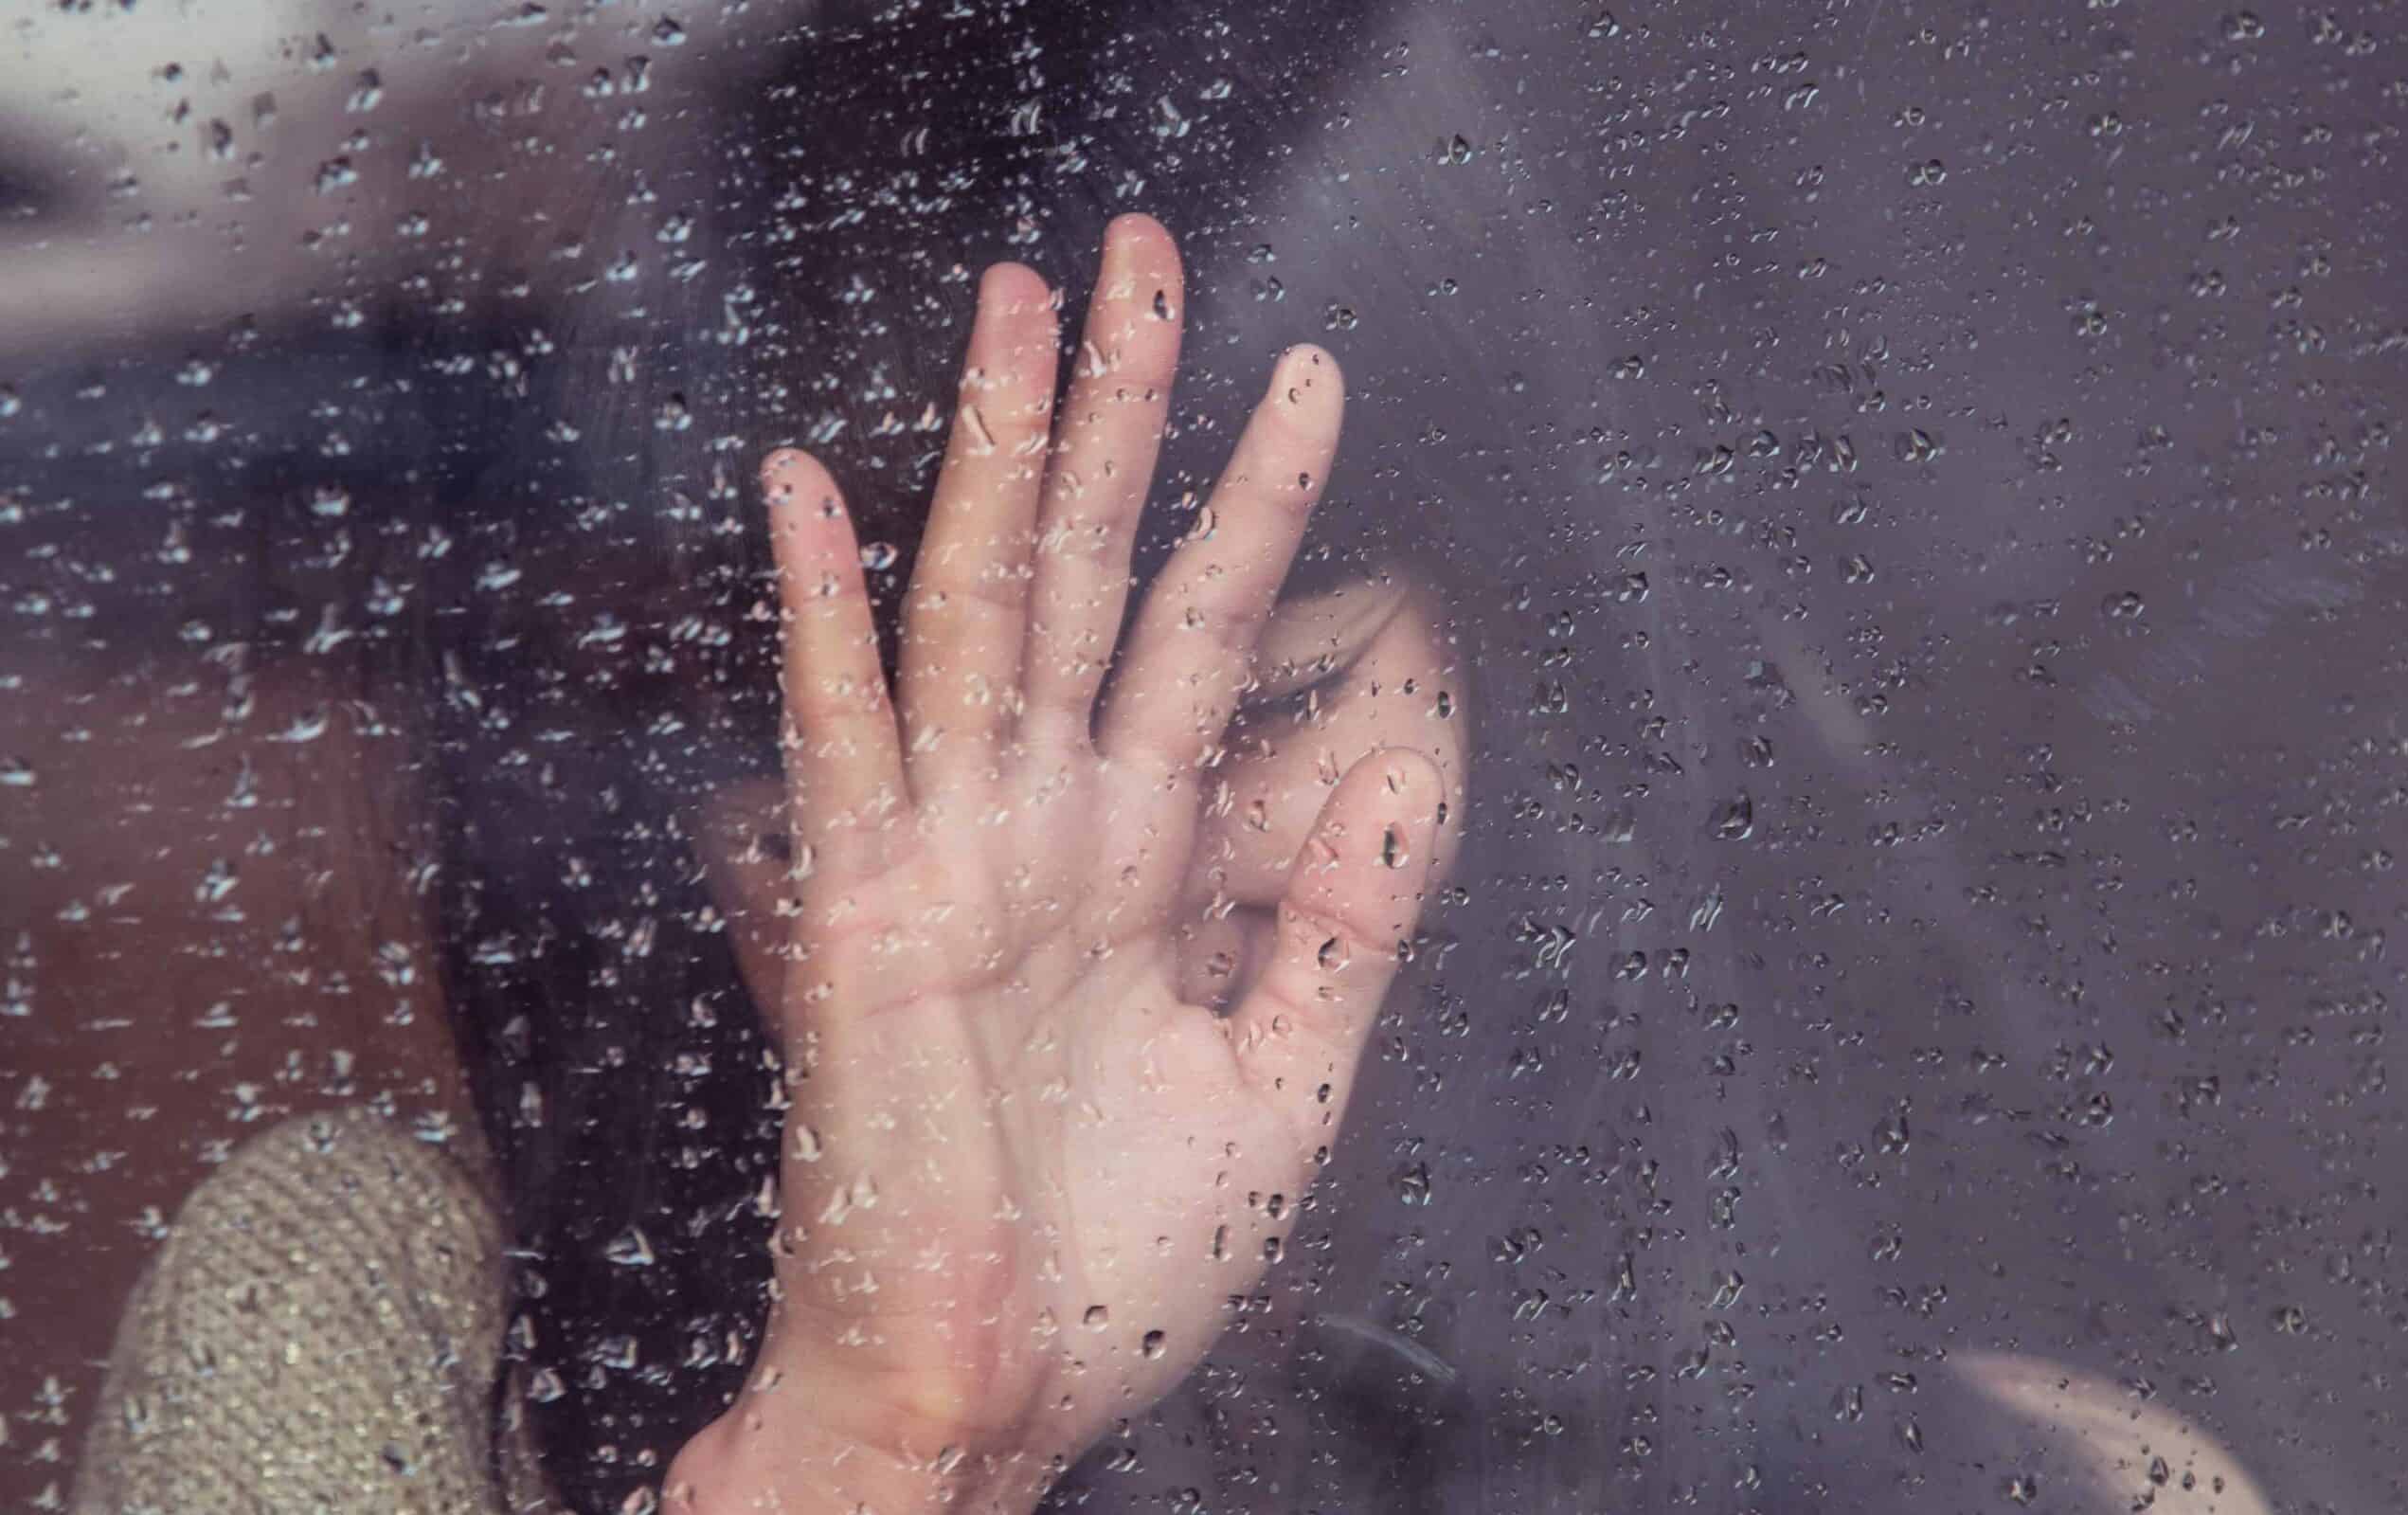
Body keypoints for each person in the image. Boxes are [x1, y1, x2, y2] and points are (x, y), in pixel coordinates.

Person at [62, 214, 1474, 1514]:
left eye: (1267, 707)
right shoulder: (358, 1323)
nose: (1105, 862)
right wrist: (869, 1453)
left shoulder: (1570, 1369)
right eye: (892, 795)